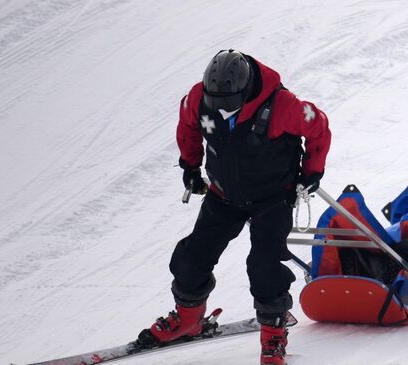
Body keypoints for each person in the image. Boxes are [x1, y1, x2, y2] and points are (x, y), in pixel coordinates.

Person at [142, 50, 331, 365]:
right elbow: (187, 126)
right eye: (215, 102)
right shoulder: (199, 99)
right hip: (224, 194)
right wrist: (191, 167)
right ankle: (188, 318)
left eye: (228, 103)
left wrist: (312, 172)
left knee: (264, 266)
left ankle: (273, 335)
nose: (220, 109)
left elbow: (319, 127)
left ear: (246, 91)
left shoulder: (282, 106)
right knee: (192, 257)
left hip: (272, 196)